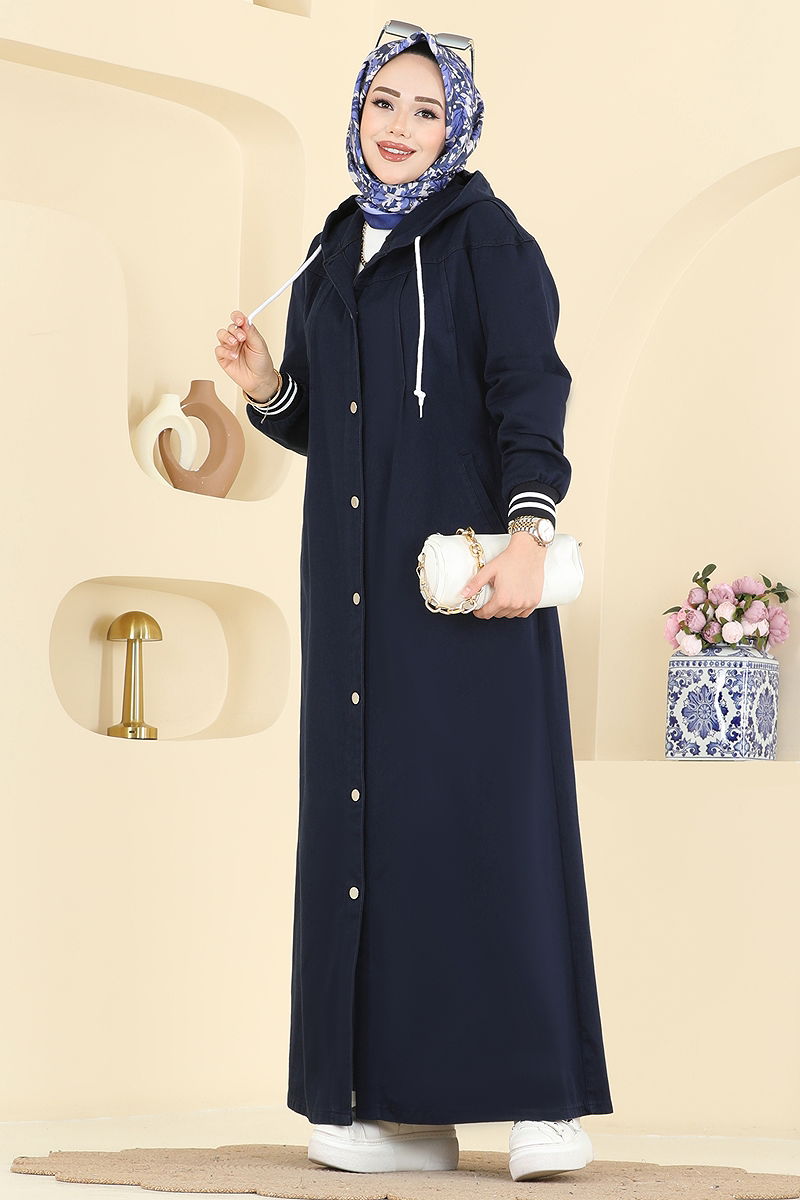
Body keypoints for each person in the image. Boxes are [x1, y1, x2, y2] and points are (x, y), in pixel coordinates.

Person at [214, 24, 613, 1183]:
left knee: (491, 827)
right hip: (355, 601)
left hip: (471, 588)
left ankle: (542, 1105)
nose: (397, 126)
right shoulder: (333, 246)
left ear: (458, 128)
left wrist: (531, 533)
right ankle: (394, 1109)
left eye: (426, 110)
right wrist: (266, 386)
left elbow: (527, 387)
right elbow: (337, 422)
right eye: (382, 102)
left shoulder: (488, 237)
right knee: (373, 836)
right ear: (357, 111)